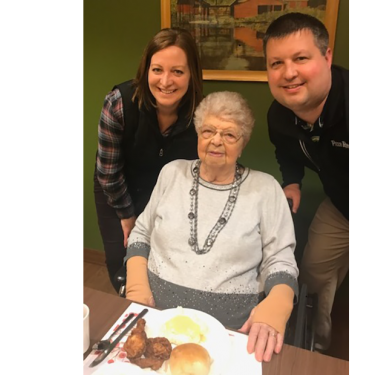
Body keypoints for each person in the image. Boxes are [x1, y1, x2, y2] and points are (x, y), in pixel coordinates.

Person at [125, 91, 299, 362]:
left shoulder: (266, 189)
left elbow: (281, 259)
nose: (216, 140)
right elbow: (141, 232)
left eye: (229, 135)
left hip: (232, 332)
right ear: (198, 134)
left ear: (243, 143)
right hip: (156, 321)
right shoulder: (172, 173)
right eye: (208, 131)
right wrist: (136, 285)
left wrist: (278, 303)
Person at [263, 13, 350, 351]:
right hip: (342, 207)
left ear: (327, 57)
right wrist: (293, 181)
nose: (289, 73)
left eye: (301, 58)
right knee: (312, 274)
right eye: (277, 63)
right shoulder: (279, 115)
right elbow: (286, 151)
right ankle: (319, 347)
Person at [93, 28, 203, 293]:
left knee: (165, 266)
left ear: (191, 75)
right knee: (123, 266)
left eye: (177, 71)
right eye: (157, 70)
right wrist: (128, 216)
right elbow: (108, 174)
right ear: (146, 71)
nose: (166, 81)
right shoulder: (118, 103)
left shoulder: (202, 114)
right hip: (117, 191)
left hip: (167, 198)